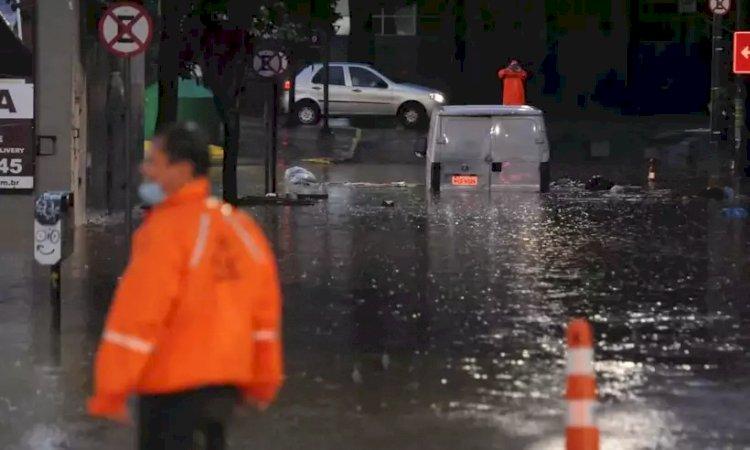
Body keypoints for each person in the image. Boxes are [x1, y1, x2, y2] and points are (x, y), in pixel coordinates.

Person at [88, 121, 283, 450]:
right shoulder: (241, 229)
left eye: (154, 161)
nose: (144, 168)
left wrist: (111, 388)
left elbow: (139, 314)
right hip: (224, 386)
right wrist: (264, 379)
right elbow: (265, 315)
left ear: (181, 169)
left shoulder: (167, 231)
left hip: (173, 385)